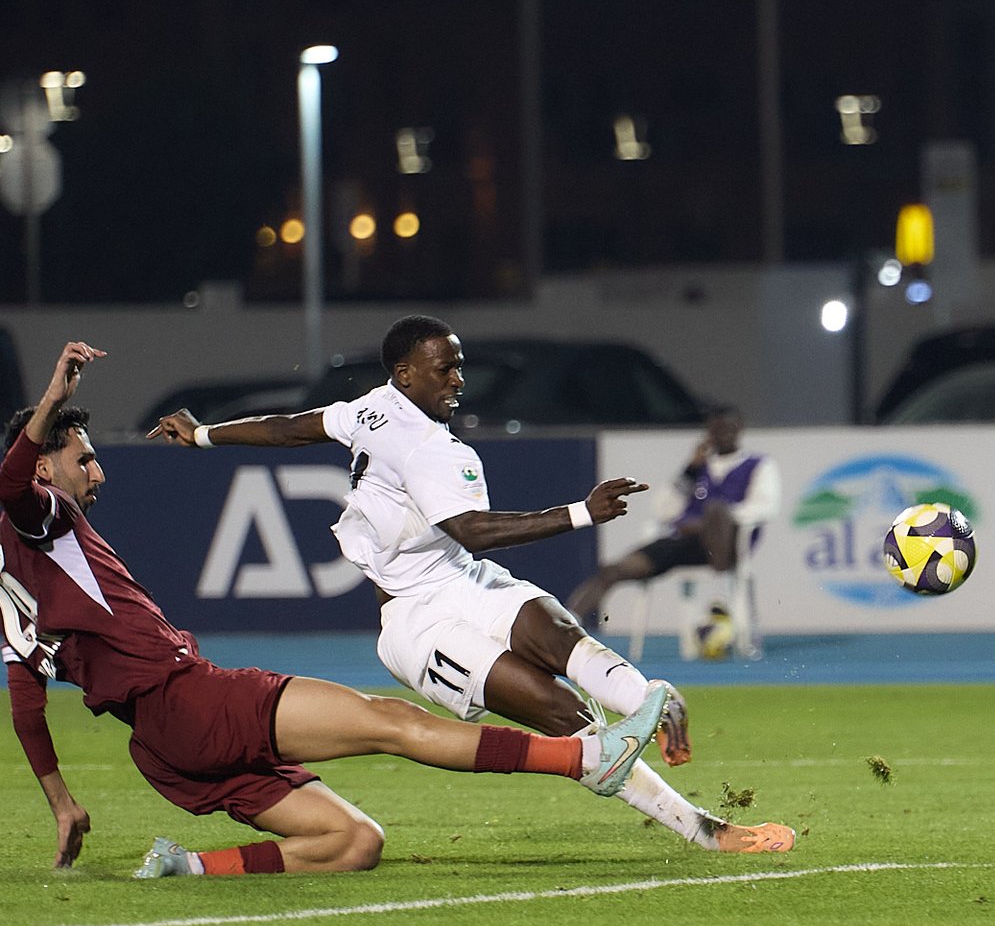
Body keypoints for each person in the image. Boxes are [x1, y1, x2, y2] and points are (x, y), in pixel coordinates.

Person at [3, 344, 668, 878]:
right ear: (43, 471)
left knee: (354, 842)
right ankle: (582, 758)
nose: (98, 473)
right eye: (84, 459)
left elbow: (25, 696)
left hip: (163, 750)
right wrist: (52, 401)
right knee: (394, 722)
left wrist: (63, 803)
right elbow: (11, 486)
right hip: (189, 700)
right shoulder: (43, 515)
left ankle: (185, 867)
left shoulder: (12, 582)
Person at [151, 318, 793, 856]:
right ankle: (703, 829)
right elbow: (472, 529)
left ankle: (651, 701)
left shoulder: (375, 410)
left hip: (462, 578)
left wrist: (203, 433)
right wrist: (580, 512)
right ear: (405, 374)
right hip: (416, 622)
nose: (458, 380)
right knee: (566, 717)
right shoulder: (424, 443)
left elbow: (289, 428)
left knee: (554, 628)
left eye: (458, 367)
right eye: (446, 369)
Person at [565, 404, 779, 631]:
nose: (722, 435)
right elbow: (664, 510)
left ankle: (720, 600)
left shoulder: (759, 465)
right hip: (686, 545)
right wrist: (690, 469)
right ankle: (568, 620)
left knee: (716, 509)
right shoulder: (697, 469)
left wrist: (706, 523)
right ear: (708, 433)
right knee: (612, 570)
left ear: (739, 429)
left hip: (731, 544)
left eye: (728, 429)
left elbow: (764, 507)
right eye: (716, 430)